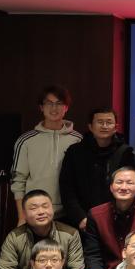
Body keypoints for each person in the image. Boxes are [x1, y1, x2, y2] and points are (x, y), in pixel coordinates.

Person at [11, 85, 82, 224]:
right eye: (49, 103)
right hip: (35, 212)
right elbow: (18, 181)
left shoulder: (78, 140)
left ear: (66, 108)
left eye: (59, 103)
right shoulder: (26, 141)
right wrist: (22, 217)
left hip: (69, 214)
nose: (54, 108)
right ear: (41, 107)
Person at [59, 106, 135, 232]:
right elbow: (67, 188)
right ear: (90, 126)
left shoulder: (125, 153)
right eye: (100, 122)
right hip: (82, 221)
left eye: (109, 122)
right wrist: (80, 218)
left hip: (116, 220)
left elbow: (128, 188)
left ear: (116, 127)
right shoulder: (75, 152)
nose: (104, 126)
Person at [0, 190, 84, 269]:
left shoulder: (70, 234)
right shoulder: (15, 237)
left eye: (45, 206)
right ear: (24, 214)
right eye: (34, 208)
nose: (41, 212)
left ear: (52, 209)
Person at [82, 166, 135, 269]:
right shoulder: (96, 214)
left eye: (129, 183)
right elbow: (93, 256)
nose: (123, 187)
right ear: (111, 187)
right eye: (119, 182)